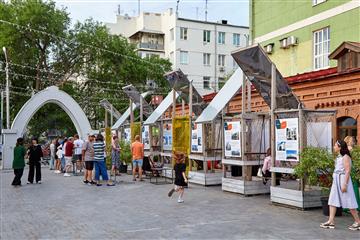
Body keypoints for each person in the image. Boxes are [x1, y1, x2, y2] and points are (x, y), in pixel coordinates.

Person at [320, 140, 360, 230]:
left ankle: (358, 222)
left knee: (349, 201)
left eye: (335, 145)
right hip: (337, 180)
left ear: (340, 147)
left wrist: (345, 184)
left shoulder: (345, 157)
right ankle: (331, 221)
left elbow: (347, 171)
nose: (334, 147)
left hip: (343, 180)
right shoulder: (339, 156)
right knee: (332, 200)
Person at [344, 136, 360, 211]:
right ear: (349, 141)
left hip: (346, 169)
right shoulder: (350, 148)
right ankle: (354, 207)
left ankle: (346, 206)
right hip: (351, 168)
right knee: (353, 187)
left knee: (348, 187)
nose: (353, 142)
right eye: (352, 140)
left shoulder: (344, 149)